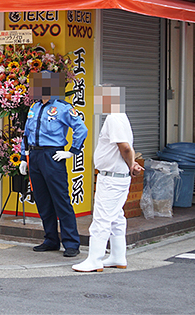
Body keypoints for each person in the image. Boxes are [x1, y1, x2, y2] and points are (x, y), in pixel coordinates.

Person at [73, 86, 144, 272]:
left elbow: (125, 147)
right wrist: (132, 165)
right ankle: (118, 256)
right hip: (117, 177)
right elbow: (128, 147)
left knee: (102, 219)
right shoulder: (122, 117)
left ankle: (95, 259)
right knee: (116, 217)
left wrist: (131, 164)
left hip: (112, 178)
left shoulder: (114, 117)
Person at [19, 70, 88, 258]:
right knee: (42, 201)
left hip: (53, 155)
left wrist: (72, 151)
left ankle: (72, 243)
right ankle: (50, 239)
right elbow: (26, 133)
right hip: (34, 156)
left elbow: (81, 129)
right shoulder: (34, 107)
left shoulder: (63, 107)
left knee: (61, 200)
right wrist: (24, 157)